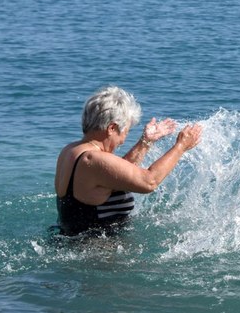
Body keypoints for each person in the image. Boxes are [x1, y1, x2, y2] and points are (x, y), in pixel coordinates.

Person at [54, 86, 202, 235]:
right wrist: (181, 146)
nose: (123, 141)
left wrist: (146, 142)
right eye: (126, 132)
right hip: (95, 254)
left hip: (71, 244)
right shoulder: (92, 159)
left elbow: (113, 173)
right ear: (112, 128)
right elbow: (149, 182)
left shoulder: (70, 150)